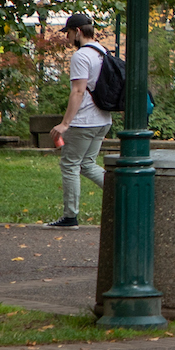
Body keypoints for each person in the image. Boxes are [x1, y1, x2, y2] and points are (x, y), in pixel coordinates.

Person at [43, 13, 114, 228]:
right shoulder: (103, 51)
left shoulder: (81, 56)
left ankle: (70, 216)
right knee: (87, 164)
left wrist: (65, 123)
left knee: (70, 165)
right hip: (103, 119)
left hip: (84, 121)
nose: (68, 38)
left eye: (70, 33)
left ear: (79, 32)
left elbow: (78, 91)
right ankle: (122, 191)